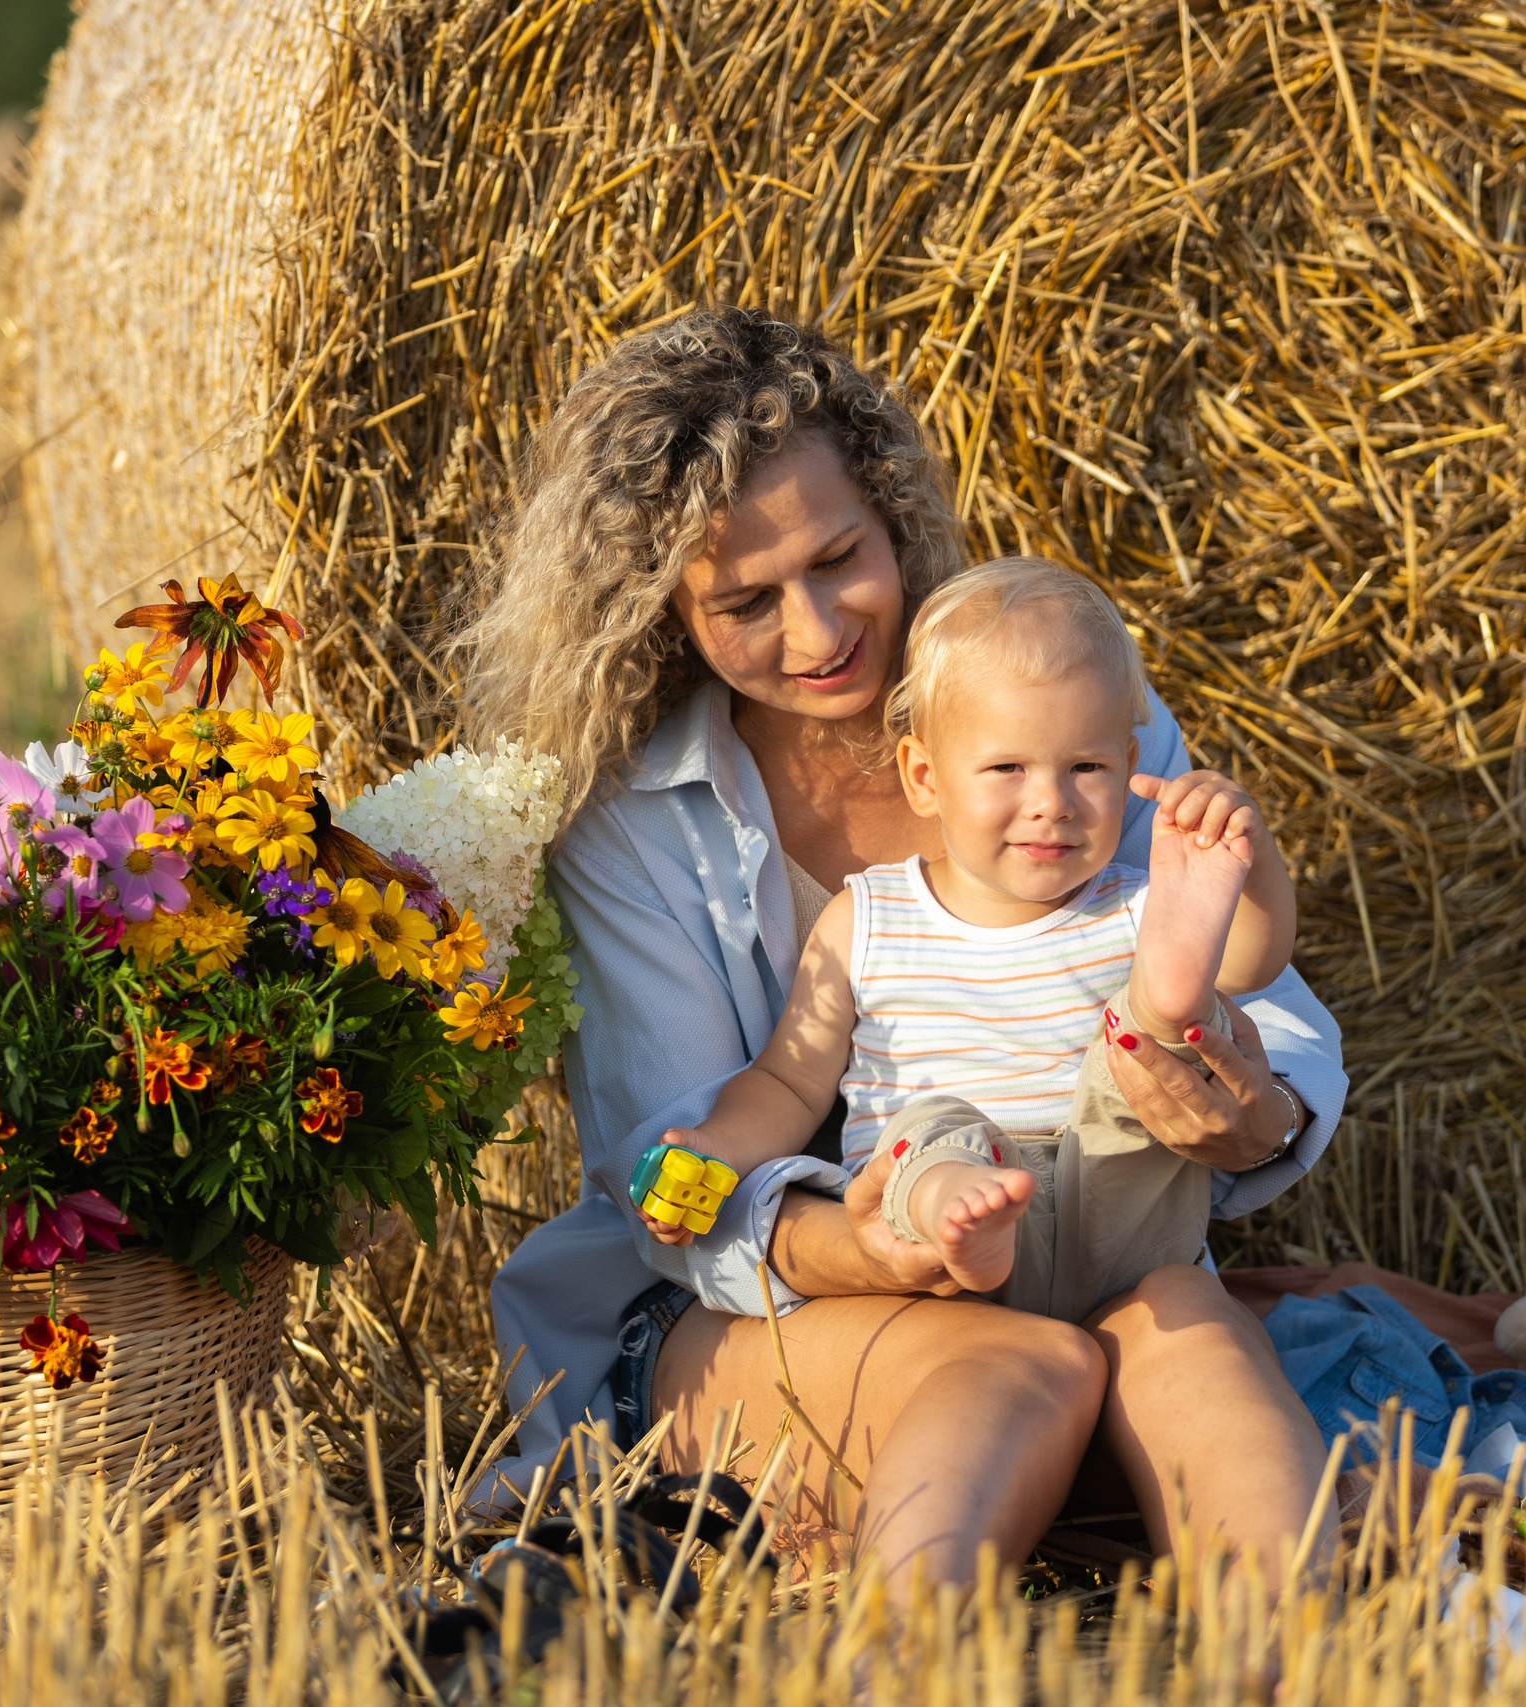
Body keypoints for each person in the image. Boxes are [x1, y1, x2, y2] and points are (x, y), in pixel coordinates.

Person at [460, 307, 1348, 1584]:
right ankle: (899, 1659)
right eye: (747, 601)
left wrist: (1237, 1107)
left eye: (837, 559)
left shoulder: (1060, 707)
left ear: (893, 520)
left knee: (1189, 1337)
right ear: (665, 612)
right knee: (1018, 1363)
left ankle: (1293, 1657)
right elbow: (678, 1175)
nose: (817, 633)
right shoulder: (634, 831)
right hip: (759, 1309)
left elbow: (1277, 1001)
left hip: (1088, 1245)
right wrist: (858, 1245)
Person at [640, 557, 1297, 1320]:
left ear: (1127, 768)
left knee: (1143, 1067)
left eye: (1086, 767)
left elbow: (1255, 959)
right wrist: (716, 1148)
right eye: (1007, 767)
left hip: (1118, 1227)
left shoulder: (1140, 906)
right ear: (924, 776)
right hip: (947, 1237)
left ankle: (1161, 1008)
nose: (1050, 803)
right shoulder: (870, 918)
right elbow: (789, 1084)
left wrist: (1246, 862)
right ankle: (965, 1213)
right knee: (935, 1131)